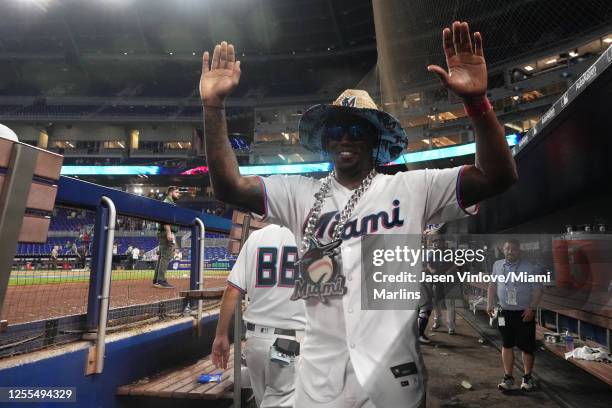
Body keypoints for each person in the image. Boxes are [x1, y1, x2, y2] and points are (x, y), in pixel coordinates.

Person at [200, 21, 518, 407]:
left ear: (375, 138)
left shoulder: (412, 187)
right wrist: (213, 107)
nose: (345, 137)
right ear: (325, 140)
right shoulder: (301, 193)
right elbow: (229, 186)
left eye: (356, 128)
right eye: (336, 129)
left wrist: (477, 105)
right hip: (318, 386)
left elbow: (498, 177)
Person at [212, 224, 305, 407]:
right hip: (289, 343)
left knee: (264, 400)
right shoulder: (311, 233)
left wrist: (221, 335)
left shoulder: (257, 237)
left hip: (256, 343)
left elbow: (232, 290)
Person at [487, 239, 543, 392]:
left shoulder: (530, 267)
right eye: (507, 249)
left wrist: (532, 308)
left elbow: (538, 290)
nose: (510, 251)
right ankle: (508, 378)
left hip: (524, 313)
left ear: (519, 251)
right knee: (507, 344)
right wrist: (489, 303)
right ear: (503, 250)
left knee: (527, 346)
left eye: (513, 249)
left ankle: (527, 378)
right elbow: (492, 284)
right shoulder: (497, 265)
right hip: (504, 312)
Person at [428, 236, 459, 335]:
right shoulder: (433, 253)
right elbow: (428, 264)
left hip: (449, 281)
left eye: (439, 241)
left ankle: (451, 326)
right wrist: (431, 270)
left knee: (450, 303)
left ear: (443, 242)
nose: (437, 243)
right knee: (436, 302)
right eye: (436, 242)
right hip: (437, 280)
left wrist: (448, 272)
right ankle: (437, 322)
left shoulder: (450, 252)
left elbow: (456, 264)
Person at [153, 186, 180, 288]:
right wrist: (169, 232)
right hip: (166, 232)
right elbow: (165, 218)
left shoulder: (169, 202)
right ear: (171, 192)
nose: (178, 194)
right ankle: (161, 280)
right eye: (177, 192)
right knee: (166, 256)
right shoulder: (167, 202)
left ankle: (156, 280)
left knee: (162, 257)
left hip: (164, 232)